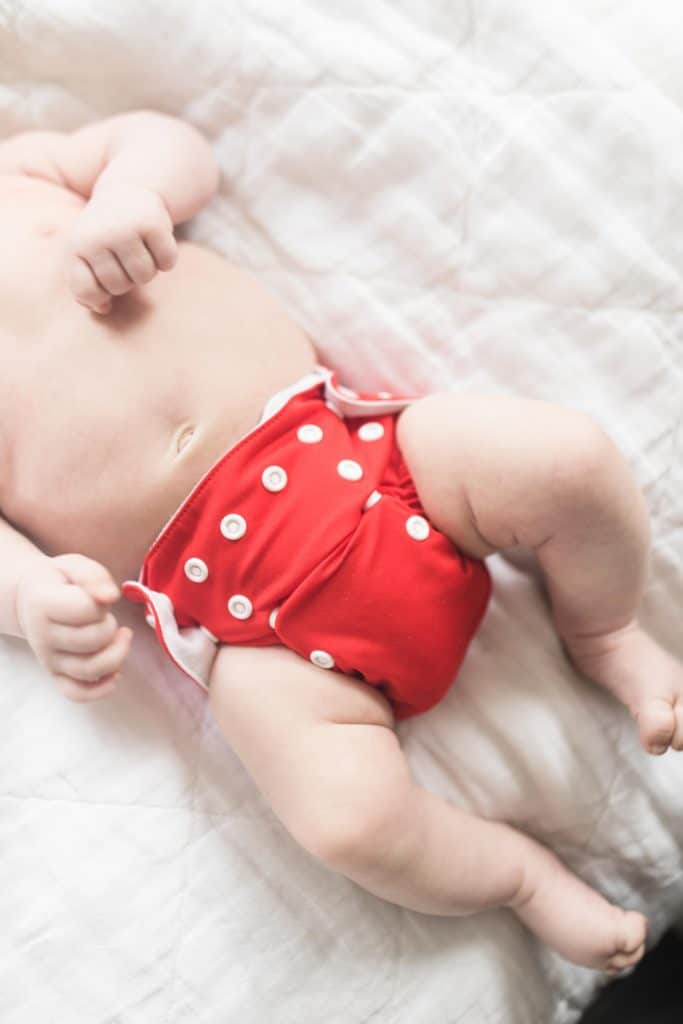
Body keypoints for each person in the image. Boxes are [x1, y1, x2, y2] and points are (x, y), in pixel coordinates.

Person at [1, 110, 678, 973]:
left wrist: (135, 193)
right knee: (345, 820)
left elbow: (168, 145)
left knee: (564, 461)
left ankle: (606, 632)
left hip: (380, 465)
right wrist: (29, 600)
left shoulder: (23, 171)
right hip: (256, 633)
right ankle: (520, 881)